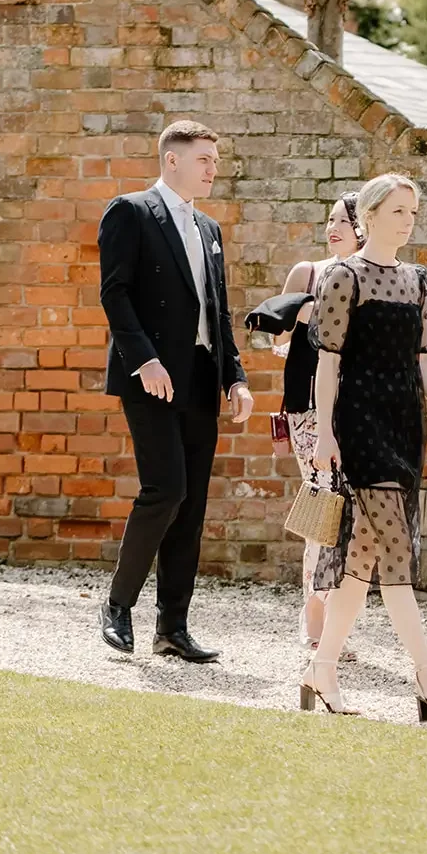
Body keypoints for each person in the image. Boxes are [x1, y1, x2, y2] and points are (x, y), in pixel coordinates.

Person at [302, 173, 427, 721]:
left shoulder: (417, 281)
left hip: (404, 426)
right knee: (396, 552)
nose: (409, 220)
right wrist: (325, 432)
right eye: (399, 210)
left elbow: (424, 360)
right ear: (369, 216)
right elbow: (327, 364)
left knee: (364, 558)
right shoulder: (343, 278)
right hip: (359, 424)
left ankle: (321, 671)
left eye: (414, 212)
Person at [97, 120, 253, 663]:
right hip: (151, 377)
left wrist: (235, 375)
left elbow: (219, 312)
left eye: (215, 158)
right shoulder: (131, 212)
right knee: (165, 489)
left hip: (199, 378)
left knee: (191, 505)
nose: (214, 168)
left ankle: (172, 629)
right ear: (172, 160)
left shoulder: (209, 230)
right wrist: (144, 360)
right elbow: (114, 294)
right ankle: (118, 604)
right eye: (205, 159)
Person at [277, 193, 362, 649]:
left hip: (360, 413)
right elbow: (281, 346)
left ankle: (335, 618)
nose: (334, 227)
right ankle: (317, 620)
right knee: (323, 506)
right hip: (309, 411)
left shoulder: (375, 279)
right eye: (331, 219)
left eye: (344, 221)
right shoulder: (306, 273)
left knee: (350, 512)